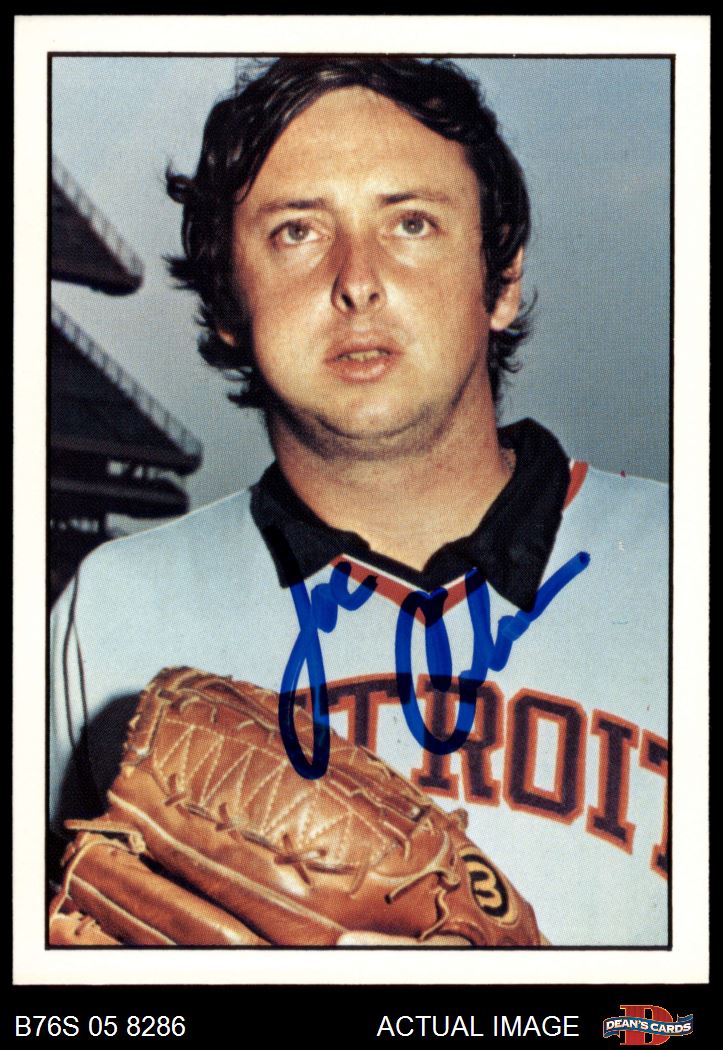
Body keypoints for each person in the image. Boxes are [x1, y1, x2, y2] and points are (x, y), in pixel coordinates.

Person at [49, 56, 668, 947]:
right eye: (296, 231)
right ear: (228, 301)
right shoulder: (113, 607)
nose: (357, 279)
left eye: (410, 222)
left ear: (500, 279)